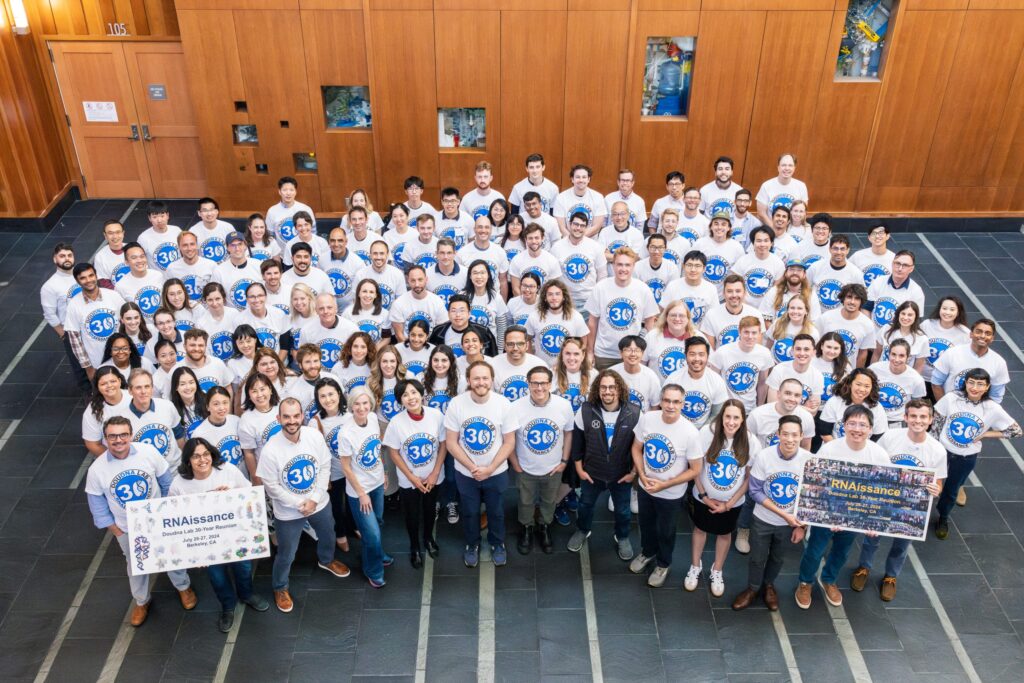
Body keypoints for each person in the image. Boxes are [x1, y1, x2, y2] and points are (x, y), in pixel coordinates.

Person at [85, 416, 196, 626]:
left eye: (123, 435)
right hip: (127, 528)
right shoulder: (96, 470)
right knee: (136, 565)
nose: (118, 440)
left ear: (131, 435)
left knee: (173, 555)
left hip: (159, 520)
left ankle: (184, 587)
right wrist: (116, 530)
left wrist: (165, 511)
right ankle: (142, 600)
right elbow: (97, 505)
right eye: (112, 436)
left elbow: (166, 482)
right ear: (105, 438)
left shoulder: (148, 452)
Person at [258, 398, 351, 611]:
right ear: (278, 418)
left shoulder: (314, 436)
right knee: (287, 552)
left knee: (328, 534)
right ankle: (280, 586)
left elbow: (325, 466)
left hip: (318, 502)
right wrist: (300, 503)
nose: (292, 421)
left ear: (302, 416)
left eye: (295, 416)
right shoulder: (271, 450)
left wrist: (315, 498)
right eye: (286, 416)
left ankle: (326, 560)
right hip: (289, 511)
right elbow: (271, 486)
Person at [795, 404, 891, 609]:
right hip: (827, 513)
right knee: (814, 551)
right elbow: (816, 482)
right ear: (844, 425)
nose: (857, 428)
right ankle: (805, 582)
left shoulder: (879, 454)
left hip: (855, 516)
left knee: (842, 552)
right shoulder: (830, 449)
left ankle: (828, 580)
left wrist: (874, 520)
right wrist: (831, 515)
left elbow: (882, 490)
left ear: (871, 429)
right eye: (852, 423)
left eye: (863, 424)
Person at [169, 437, 270, 631]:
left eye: (206, 454)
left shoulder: (228, 470)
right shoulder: (179, 484)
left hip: (235, 534)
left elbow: (250, 493)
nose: (202, 460)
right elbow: (175, 518)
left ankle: (247, 595)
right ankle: (227, 606)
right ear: (188, 460)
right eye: (196, 456)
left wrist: (231, 493)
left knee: (244, 568)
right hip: (206, 542)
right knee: (217, 576)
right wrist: (191, 553)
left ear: (212, 454)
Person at [850, 399, 945, 601]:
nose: (917, 421)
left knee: (902, 545)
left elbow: (939, 482)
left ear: (930, 419)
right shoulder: (890, 437)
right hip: (883, 500)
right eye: (913, 416)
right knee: (871, 537)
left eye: (922, 417)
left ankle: (891, 576)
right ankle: (863, 567)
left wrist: (935, 489)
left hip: (911, 507)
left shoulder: (937, 449)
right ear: (905, 417)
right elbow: (875, 464)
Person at [732, 415, 812, 611]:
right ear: (778, 434)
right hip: (763, 519)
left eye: (794, 435)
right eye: (785, 434)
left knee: (778, 558)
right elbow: (755, 491)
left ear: (802, 436)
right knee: (757, 557)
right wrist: (784, 515)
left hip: (790, 524)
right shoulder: (765, 456)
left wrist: (802, 526)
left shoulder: (809, 460)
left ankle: (768, 586)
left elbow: (810, 498)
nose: (790, 439)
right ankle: (752, 588)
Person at [932, 368, 1022, 539]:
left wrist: (986, 434)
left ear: (987, 387)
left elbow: (1016, 431)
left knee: (952, 489)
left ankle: (943, 517)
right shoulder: (951, 398)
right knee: (930, 481)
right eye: (971, 382)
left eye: (980, 384)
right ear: (965, 383)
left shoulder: (992, 408)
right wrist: (933, 447)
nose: (974, 387)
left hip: (965, 457)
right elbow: (937, 422)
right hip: (942, 450)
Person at [630, 384, 703, 587]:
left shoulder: (690, 432)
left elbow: (695, 469)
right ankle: (647, 552)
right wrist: (642, 475)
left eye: (676, 401)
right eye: (667, 400)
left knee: (666, 530)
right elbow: (636, 449)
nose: (671, 405)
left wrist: (666, 484)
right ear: (661, 401)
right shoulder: (647, 418)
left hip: (670, 493)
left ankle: (663, 563)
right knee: (645, 524)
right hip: (646, 487)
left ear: (683, 403)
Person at [444, 361, 516, 568]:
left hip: (496, 472)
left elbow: (509, 441)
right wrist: (472, 467)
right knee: (470, 511)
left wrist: (490, 468)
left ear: (492, 380)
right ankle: (471, 544)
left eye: (485, 378)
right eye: (476, 378)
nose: (481, 382)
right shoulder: (456, 404)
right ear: (468, 380)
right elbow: (451, 441)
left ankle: (497, 543)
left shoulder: (503, 404)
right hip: (466, 474)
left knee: (496, 512)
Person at [567, 370, 640, 557]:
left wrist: (633, 473)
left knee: (623, 511)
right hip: (592, 473)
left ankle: (622, 537)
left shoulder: (635, 414)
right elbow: (577, 445)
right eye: (603, 387)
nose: (607, 391)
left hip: (621, 475)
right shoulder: (585, 411)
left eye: (612, 387)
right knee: (585, 505)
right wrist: (579, 470)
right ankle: (583, 530)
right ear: (598, 390)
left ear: (619, 389)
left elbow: (640, 449)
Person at [686, 400, 754, 597]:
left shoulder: (750, 441)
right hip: (703, 499)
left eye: (736, 417)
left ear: (742, 420)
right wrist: (704, 496)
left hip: (732, 503)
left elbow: (749, 477)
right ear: (721, 416)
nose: (731, 422)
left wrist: (729, 504)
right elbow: (696, 469)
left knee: (724, 534)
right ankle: (695, 566)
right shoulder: (707, 433)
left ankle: (717, 570)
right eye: (728, 416)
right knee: (700, 529)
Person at [509, 366, 575, 554]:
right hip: (525, 468)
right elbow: (510, 438)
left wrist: (564, 461)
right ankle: (527, 528)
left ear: (550, 384)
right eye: (535, 383)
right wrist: (515, 464)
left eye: (543, 383)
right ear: (528, 384)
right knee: (525, 501)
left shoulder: (564, 405)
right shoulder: (515, 407)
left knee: (549, 501)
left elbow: (568, 433)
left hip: (553, 468)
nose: (539, 388)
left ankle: (544, 526)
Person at [383, 379, 446, 568]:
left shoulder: (436, 415)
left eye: (413, 392)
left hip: (432, 477)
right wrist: (411, 477)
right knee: (411, 514)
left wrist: (435, 472)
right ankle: (415, 546)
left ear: (421, 394)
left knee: (429, 510)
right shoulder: (396, 422)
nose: (410, 397)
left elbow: (443, 444)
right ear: (400, 401)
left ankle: (428, 538)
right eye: (404, 395)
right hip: (409, 479)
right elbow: (393, 451)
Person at [585, 248, 658, 370]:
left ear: (633, 266)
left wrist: (642, 351)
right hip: (604, 354)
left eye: (627, 265)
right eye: (619, 264)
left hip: (632, 354)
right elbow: (592, 323)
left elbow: (650, 322)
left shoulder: (643, 289)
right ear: (613, 265)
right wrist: (590, 352)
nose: (623, 269)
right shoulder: (601, 287)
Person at [65, 263, 127, 381]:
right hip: (97, 362)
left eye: (91, 275)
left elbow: (127, 322)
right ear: (77, 281)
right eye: (83, 278)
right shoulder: (73, 305)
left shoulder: (113, 296)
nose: (88, 280)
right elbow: (75, 339)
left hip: (123, 356)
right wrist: (88, 367)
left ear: (96, 276)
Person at [42, 243, 90, 391]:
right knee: (80, 366)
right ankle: (89, 397)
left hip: (90, 324)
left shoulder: (82, 276)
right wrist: (64, 335)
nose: (66, 259)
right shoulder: (50, 286)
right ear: (54, 259)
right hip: (72, 331)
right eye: (62, 256)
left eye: (69, 255)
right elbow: (49, 314)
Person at [931, 318, 1010, 403]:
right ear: (971, 334)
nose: (983, 336)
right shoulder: (952, 353)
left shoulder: (999, 363)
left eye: (988, 333)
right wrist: (945, 409)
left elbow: (996, 396)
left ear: (992, 338)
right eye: (978, 331)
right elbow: (936, 383)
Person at [709, 316, 775, 412]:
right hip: (725, 408)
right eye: (746, 332)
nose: (750, 336)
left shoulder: (764, 353)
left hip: (750, 408)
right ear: (739, 332)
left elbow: (762, 383)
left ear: (759, 333)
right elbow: (713, 381)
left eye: (754, 333)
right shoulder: (723, 352)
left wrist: (759, 407)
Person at [664, 336, 730, 429]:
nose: (697, 358)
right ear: (685, 355)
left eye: (701, 354)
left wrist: (701, 433)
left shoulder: (717, 381)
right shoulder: (673, 379)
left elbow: (716, 414)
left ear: (708, 356)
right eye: (692, 354)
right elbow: (666, 409)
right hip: (675, 428)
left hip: (704, 431)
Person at [124, 368, 183, 467]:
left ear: (152, 388)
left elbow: (179, 436)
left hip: (175, 469)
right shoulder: (123, 419)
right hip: (149, 474)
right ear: (130, 390)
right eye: (138, 387)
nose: (143, 391)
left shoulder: (167, 406)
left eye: (147, 386)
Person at [550, 211, 608, 311]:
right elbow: (552, 276)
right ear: (569, 224)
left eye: (582, 226)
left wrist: (597, 297)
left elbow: (602, 275)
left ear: (586, 228)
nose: (578, 228)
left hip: (589, 300)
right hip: (565, 301)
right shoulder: (557, 247)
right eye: (576, 224)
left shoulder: (595, 247)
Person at [526, 280, 588, 366]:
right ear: (545, 297)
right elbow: (526, 338)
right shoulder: (534, 316)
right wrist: (530, 358)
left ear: (564, 297)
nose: (554, 298)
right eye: (550, 294)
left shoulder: (576, 316)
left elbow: (584, 341)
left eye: (557, 294)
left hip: (567, 368)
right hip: (541, 368)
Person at [817, 368, 888, 443]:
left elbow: (878, 436)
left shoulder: (877, 407)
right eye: (858, 384)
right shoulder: (834, 401)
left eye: (867, 386)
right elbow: (824, 433)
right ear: (850, 383)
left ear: (872, 388)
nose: (862, 389)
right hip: (834, 449)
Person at [920, 296, 971, 398]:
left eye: (952, 309)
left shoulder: (965, 333)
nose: (947, 312)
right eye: (944, 308)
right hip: (923, 377)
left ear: (958, 312)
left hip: (943, 382)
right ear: (939, 309)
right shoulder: (927, 324)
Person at [869, 339, 927, 427]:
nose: (896, 359)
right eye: (893, 354)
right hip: (873, 417)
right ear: (888, 354)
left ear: (908, 357)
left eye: (901, 356)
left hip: (897, 422)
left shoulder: (916, 379)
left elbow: (915, 406)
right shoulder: (874, 369)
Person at [239, 372, 283, 482]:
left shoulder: (282, 407)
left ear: (271, 390)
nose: (259, 394)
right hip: (267, 474)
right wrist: (256, 478)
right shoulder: (246, 419)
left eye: (263, 389)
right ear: (248, 395)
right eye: (254, 391)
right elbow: (249, 453)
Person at [817, 283, 875, 367]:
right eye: (849, 297)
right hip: (822, 368)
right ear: (843, 298)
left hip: (848, 372)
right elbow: (815, 344)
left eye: (857, 298)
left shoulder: (867, 324)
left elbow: (862, 354)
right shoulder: (826, 318)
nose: (852, 302)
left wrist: (855, 374)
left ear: (861, 302)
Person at [700, 274, 764, 348]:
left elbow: (757, 349)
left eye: (738, 291)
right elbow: (710, 351)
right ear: (723, 293)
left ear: (745, 293)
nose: (734, 295)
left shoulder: (756, 315)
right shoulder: (711, 315)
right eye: (729, 291)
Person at [301, 293, 360, 372]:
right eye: (321, 308)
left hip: (345, 375)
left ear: (336, 309)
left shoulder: (352, 329)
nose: (326, 311)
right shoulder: (307, 330)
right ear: (316, 310)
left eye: (329, 307)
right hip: (318, 377)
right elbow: (303, 357)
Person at [766, 334, 825, 412]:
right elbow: (771, 404)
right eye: (798, 349)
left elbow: (813, 411)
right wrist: (803, 407)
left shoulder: (818, 376)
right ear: (792, 351)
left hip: (801, 421)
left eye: (806, 349)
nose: (802, 353)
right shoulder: (779, 370)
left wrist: (783, 403)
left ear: (814, 352)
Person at [389, 265, 448, 342]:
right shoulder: (398, 303)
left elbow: (442, 332)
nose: (417, 284)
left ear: (426, 279)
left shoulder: (437, 301)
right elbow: (399, 335)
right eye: (413, 280)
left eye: (420, 280)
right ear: (408, 281)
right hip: (406, 348)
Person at [661, 251, 719, 329]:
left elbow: (713, 316)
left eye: (697, 266)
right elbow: (663, 312)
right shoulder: (673, 286)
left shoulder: (711, 288)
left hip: (700, 336)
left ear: (704, 268)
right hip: (675, 332)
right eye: (689, 265)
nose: (693, 269)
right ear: (683, 266)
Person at [190, 386, 243, 471]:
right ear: (207, 406)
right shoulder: (199, 434)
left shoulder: (236, 421)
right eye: (216, 404)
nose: (221, 408)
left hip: (242, 477)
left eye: (225, 402)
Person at [428, 293, 498, 358]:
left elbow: (493, 359)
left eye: (462, 311)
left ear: (469, 313)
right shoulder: (438, 332)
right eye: (453, 311)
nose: (458, 315)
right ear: (448, 314)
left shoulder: (483, 332)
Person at [731, 226, 784, 310]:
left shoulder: (778, 263)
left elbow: (777, 291)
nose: (762, 244)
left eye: (766, 241)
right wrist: (744, 307)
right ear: (753, 243)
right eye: (758, 241)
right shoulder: (743, 260)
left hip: (767, 308)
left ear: (772, 243)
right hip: (744, 307)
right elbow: (734, 286)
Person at [807, 235, 864, 313]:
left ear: (848, 250)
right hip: (816, 316)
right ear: (830, 249)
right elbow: (804, 288)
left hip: (841, 319)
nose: (839, 252)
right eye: (835, 248)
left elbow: (861, 299)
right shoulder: (815, 267)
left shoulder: (856, 273)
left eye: (842, 249)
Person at [693, 212, 744, 296]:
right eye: (716, 224)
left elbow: (739, 276)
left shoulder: (737, 248)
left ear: (729, 228)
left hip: (725, 297)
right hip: (700, 294)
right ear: (711, 226)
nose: (719, 227)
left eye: (723, 224)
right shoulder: (700, 244)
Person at [464, 260, 510, 350]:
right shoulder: (463, 296)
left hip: (490, 347)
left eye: (482, 273)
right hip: (468, 348)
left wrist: (499, 351)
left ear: (488, 275)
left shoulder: (497, 298)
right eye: (475, 273)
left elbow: (502, 328)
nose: (479, 276)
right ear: (470, 276)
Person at [212, 231, 263, 310]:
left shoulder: (258, 265)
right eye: (233, 245)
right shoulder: (219, 271)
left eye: (240, 244)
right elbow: (215, 297)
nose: (237, 249)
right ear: (227, 247)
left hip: (256, 314)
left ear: (245, 245)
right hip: (233, 318)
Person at [755, 153, 808, 227]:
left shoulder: (801, 186)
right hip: (771, 229)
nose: (787, 168)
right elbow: (761, 213)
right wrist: (775, 229)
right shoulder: (766, 186)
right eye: (783, 165)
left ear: (794, 168)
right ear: (778, 167)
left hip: (792, 229)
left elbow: (803, 213)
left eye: (790, 165)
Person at [611, 335, 662, 411]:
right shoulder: (611, 373)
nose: (633, 354)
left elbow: (655, 406)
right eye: (628, 350)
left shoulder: (651, 376)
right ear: (621, 353)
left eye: (637, 350)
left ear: (642, 353)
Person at [554, 164, 607, 236]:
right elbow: (561, 227)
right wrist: (572, 240)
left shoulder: (598, 197)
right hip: (567, 241)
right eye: (578, 177)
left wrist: (579, 239)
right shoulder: (561, 198)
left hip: (590, 242)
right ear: (572, 179)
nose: (581, 180)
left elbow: (597, 226)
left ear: (588, 179)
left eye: (584, 177)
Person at [266, 176, 316, 250]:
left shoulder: (305, 209)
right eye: (285, 190)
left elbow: (313, 232)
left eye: (291, 190)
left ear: (296, 191)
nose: (288, 193)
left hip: (304, 253)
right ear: (279, 192)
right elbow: (270, 235)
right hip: (281, 255)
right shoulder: (272, 211)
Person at [765, 296, 819, 365]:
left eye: (800, 308)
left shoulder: (812, 332)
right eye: (792, 308)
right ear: (787, 310)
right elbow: (769, 344)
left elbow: (813, 357)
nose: (795, 311)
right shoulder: (778, 323)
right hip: (774, 365)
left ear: (806, 311)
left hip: (797, 370)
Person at [178, 328, 233, 394]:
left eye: (200, 345)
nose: (197, 349)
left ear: (206, 346)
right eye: (192, 345)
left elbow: (228, 388)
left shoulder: (218, 363)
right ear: (184, 346)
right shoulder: (177, 370)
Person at [509, 223, 560, 293]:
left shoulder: (552, 261)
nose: (534, 241)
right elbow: (515, 289)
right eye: (530, 238)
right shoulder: (516, 260)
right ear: (525, 239)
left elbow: (554, 290)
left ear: (542, 238)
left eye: (537, 238)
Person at [354, 240, 407, 309]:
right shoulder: (360, 275)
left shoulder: (397, 274)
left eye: (382, 253)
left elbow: (402, 303)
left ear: (387, 255)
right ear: (370, 255)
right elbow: (355, 301)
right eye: (375, 253)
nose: (378, 257)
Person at [166, 230, 216, 303]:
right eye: (185, 245)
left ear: (197, 245)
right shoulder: (172, 268)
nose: (189, 248)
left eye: (192, 244)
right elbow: (168, 295)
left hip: (207, 311)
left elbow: (217, 293)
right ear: (179, 247)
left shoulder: (211, 265)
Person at [194, 283, 239, 363]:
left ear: (224, 298)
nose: (214, 303)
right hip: (215, 365)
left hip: (236, 362)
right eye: (210, 300)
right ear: (205, 301)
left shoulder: (234, 314)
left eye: (217, 299)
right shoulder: (200, 323)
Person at [137, 200, 182, 272]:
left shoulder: (177, 231)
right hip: (159, 280)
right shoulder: (143, 238)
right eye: (155, 217)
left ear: (167, 215)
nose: (159, 220)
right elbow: (140, 260)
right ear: (149, 218)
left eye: (162, 216)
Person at [323, 227, 362, 309]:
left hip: (349, 311)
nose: (336, 244)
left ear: (346, 241)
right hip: (327, 310)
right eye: (333, 240)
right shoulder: (322, 259)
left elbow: (360, 292)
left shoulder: (358, 263)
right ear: (329, 242)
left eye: (340, 240)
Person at [189, 197, 234, 264]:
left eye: (211, 210)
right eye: (205, 210)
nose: (209, 214)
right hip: (205, 270)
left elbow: (236, 247)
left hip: (226, 268)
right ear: (199, 213)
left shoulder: (228, 227)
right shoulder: (193, 231)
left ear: (217, 211)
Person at [850, 223, 895, 288]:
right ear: (869, 237)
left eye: (881, 233)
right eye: (873, 233)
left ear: (888, 236)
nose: (877, 236)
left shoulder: (894, 258)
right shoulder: (858, 256)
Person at [93, 219, 130, 286]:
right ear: (105, 235)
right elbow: (103, 282)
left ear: (123, 233)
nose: (115, 236)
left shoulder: (132, 249)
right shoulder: (100, 257)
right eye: (110, 233)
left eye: (118, 232)